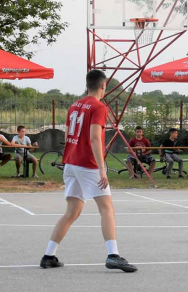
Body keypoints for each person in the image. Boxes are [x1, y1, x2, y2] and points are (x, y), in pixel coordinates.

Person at [40, 69, 136, 272]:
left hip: (72, 162)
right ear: (103, 86)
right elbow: (94, 138)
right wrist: (102, 169)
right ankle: (113, 255)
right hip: (87, 163)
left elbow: (69, 135)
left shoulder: (75, 105)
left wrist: (70, 158)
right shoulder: (99, 107)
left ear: (87, 84)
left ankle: (49, 255)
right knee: (106, 208)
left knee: (72, 212)